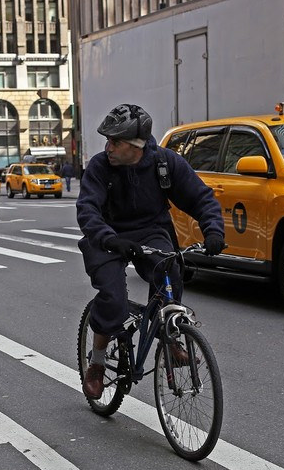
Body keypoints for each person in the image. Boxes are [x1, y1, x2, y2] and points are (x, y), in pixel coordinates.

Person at [76, 104, 225, 400]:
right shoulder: (99, 167)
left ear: (136, 146)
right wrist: (109, 238)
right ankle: (97, 363)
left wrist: (214, 231)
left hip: (150, 232)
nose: (107, 147)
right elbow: (87, 209)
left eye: (115, 141)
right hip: (106, 235)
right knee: (112, 298)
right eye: (107, 140)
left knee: (169, 270)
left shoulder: (165, 163)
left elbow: (201, 198)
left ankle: (169, 339)